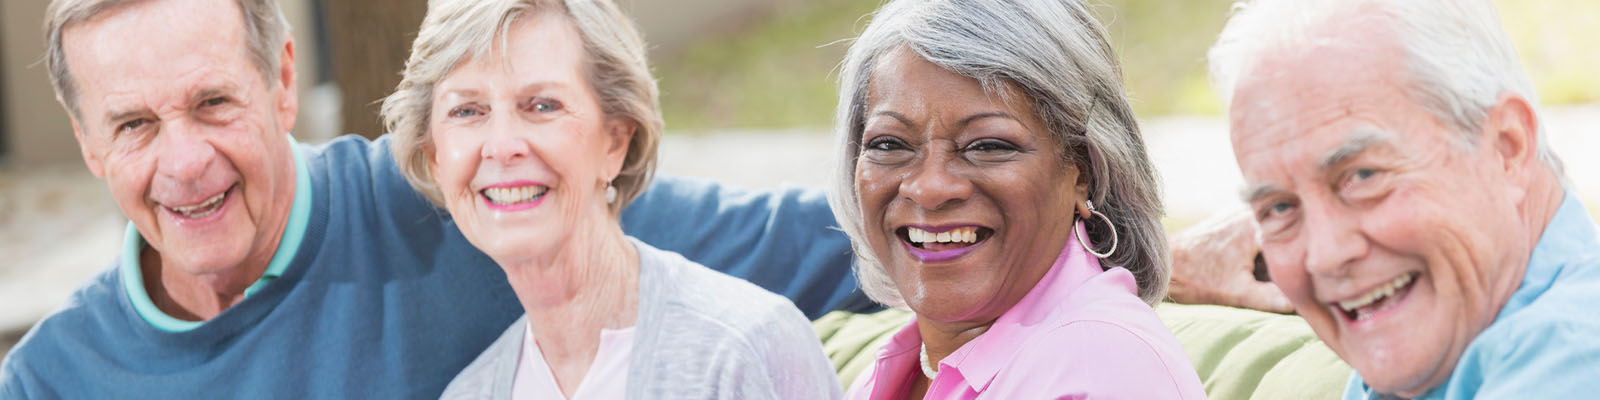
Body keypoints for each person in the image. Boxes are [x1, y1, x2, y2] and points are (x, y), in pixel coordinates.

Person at [0, 0, 861, 397]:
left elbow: (806, 244)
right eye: (135, 126)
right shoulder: (51, 380)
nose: (186, 162)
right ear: (86, 144)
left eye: (213, 103)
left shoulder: (469, 197)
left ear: (284, 81)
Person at [381, 0, 840, 398]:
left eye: (542, 105)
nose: (502, 145)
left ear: (615, 141)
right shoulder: (470, 394)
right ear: (435, 158)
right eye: (467, 111)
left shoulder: (743, 349)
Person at [1208, 0, 1600, 398]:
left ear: (1507, 148)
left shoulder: (1571, 360)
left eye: (1363, 176)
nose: (1325, 255)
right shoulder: (1461, 331)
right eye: (1279, 207)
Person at [827, 0, 1207, 398]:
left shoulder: (1098, 368)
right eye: (890, 144)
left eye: (988, 145)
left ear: (1086, 170)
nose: (929, 188)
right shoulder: (897, 365)